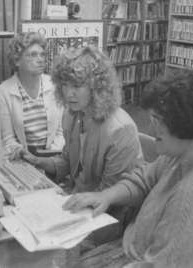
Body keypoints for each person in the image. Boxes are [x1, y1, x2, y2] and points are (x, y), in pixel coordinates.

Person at [63, 70, 193, 268]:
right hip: (137, 246)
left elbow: (165, 262)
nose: (152, 130)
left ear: (186, 124)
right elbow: (145, 178)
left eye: (157, 122)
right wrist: (107, 196)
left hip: (144, 259)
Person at [23, 46, 145, 243]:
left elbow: (109, 196)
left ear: (96, 88)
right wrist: (38, 161)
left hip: (106, 216)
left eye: (77, 86)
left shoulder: (119, 129)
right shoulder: (72, 114)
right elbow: (68, 161)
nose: (69, 93)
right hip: (77, 202)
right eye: (64, 85)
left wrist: (62, 209)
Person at [0, 32, 64, 159]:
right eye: (33, 55)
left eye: (42, 54)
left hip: (53, 157)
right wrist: (27, 157)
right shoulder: (4, 91)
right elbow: (8, 140)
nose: (40, 59)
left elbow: (61, 132)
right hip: (21, 160)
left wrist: (49, 158)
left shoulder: (54, 85)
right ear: (17, 60)